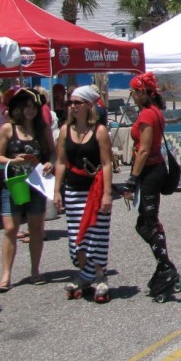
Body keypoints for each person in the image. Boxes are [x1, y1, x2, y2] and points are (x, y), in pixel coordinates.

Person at [123, 72, 181, 294]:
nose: (132, 95)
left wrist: (132, 180)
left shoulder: (148, 115)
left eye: (135, 92)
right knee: (147, 222)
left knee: (147, 223)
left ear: (144, 93)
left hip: (150, 171)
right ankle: (165, 266)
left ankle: (166, 267)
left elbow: (145, 150)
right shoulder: (153, 112)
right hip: (153, 170)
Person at [53, 85, 114, 302]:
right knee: (76, 240)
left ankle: (98, 275)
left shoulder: (99, 131)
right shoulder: (64, 130)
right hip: (73, 190)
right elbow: (60, 162)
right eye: (70, 103)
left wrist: (107, 194)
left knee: (96, 235)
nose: (72, 107)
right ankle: (86, 273)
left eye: (77, 103)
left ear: (88, 105)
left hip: (95, 190)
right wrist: (57, 191)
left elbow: (107, 164)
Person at [0, 88, 55, 290]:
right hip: (13, 183)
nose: (30, 111)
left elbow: (52, 153)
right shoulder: (8, 129)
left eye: (33, 107)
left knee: (36, 228)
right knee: (10, 229)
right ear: (18, 108)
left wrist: (50, 164)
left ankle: (35, 270)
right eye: (26, 106)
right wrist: (13, 160)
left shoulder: (42, 129)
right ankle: (5, 275)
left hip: (36, 183)